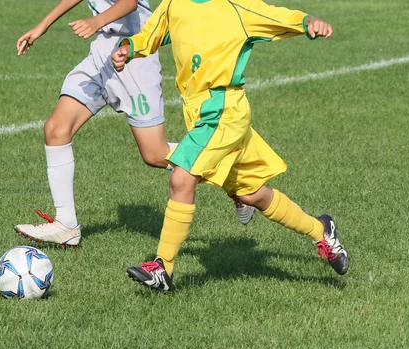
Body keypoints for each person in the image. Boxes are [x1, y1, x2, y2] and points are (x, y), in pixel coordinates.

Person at [112, 0, 349, 291]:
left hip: (224, 109)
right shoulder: (174, 3)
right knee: (252, 195)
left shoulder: (236, 6)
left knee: (181, 177)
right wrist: (130, 48)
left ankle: (163, 268)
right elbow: (152, 34)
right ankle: (321, 230)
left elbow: (275, 16)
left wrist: (307, 21)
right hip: (198, 112)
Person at [13, 0, 255, 248]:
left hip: (133, 53)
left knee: (155, 154)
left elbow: (129, 2)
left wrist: (96, 20)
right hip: (102, 52)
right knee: (56, 129)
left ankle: (235, 178)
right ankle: (66, 225)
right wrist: (42, 26)